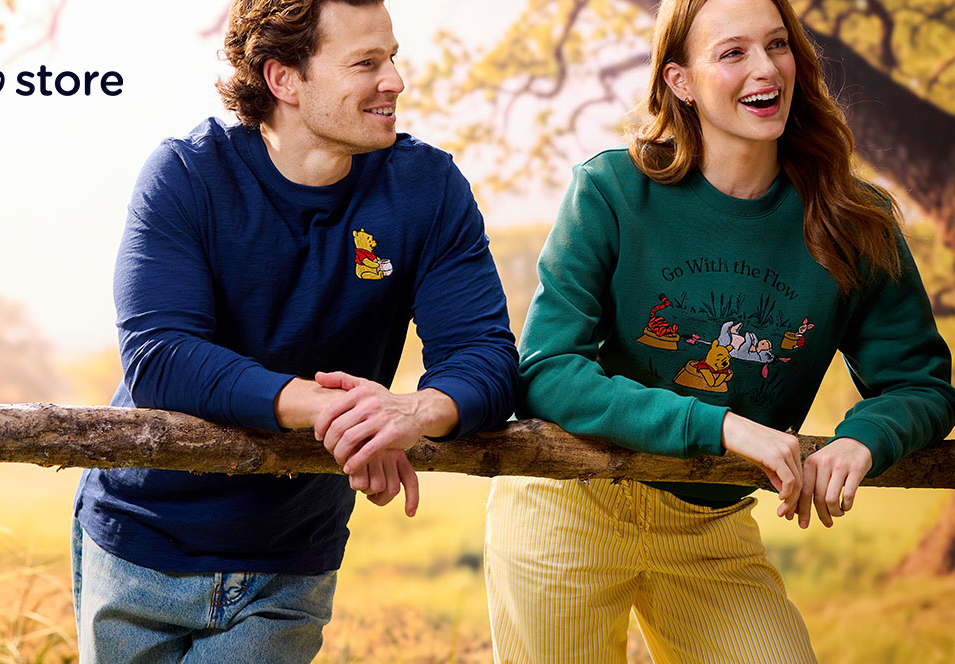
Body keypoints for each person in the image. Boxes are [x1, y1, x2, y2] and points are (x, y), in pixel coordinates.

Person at [484, 0, 955, 661]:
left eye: (777, 45)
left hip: (710, 525)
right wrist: (722, 426)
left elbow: (921, 384)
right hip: (571, 503)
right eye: (732, 52)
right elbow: (547, 371)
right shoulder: (612, 190)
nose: (766, 68)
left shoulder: (856, 220)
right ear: (680, 81)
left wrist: (862, 443)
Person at [70, 0, 518, 661]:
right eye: (366, 63)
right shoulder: (187, 175)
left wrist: (411, 412)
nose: (394, 80)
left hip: (290, 560)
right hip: (141, 544)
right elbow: (161, 357)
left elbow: (485, 357)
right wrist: (340, 412)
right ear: (283, 79)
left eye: (392, 57)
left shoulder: (426, 189)